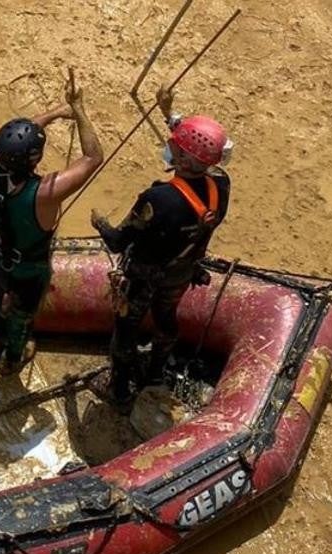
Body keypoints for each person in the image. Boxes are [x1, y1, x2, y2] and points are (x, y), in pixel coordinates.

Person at [90, 85, 232, 410]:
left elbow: (117, 240)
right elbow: (197, 153)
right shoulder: (220, 187)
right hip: (180, 273)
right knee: (166, 319)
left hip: (143, 278)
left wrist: (99, 222)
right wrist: (170, 115)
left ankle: (120, 390)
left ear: (183, 157)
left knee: (125, 329)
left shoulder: (158, 200)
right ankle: (155, 374)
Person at [0, 87, 104, 392]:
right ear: (34, 158)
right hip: (27, 271)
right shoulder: (45, 193)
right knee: (22, 316)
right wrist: (76, 109)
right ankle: (12, 360)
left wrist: (50, 114)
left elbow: (15, 133)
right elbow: (93, 156)